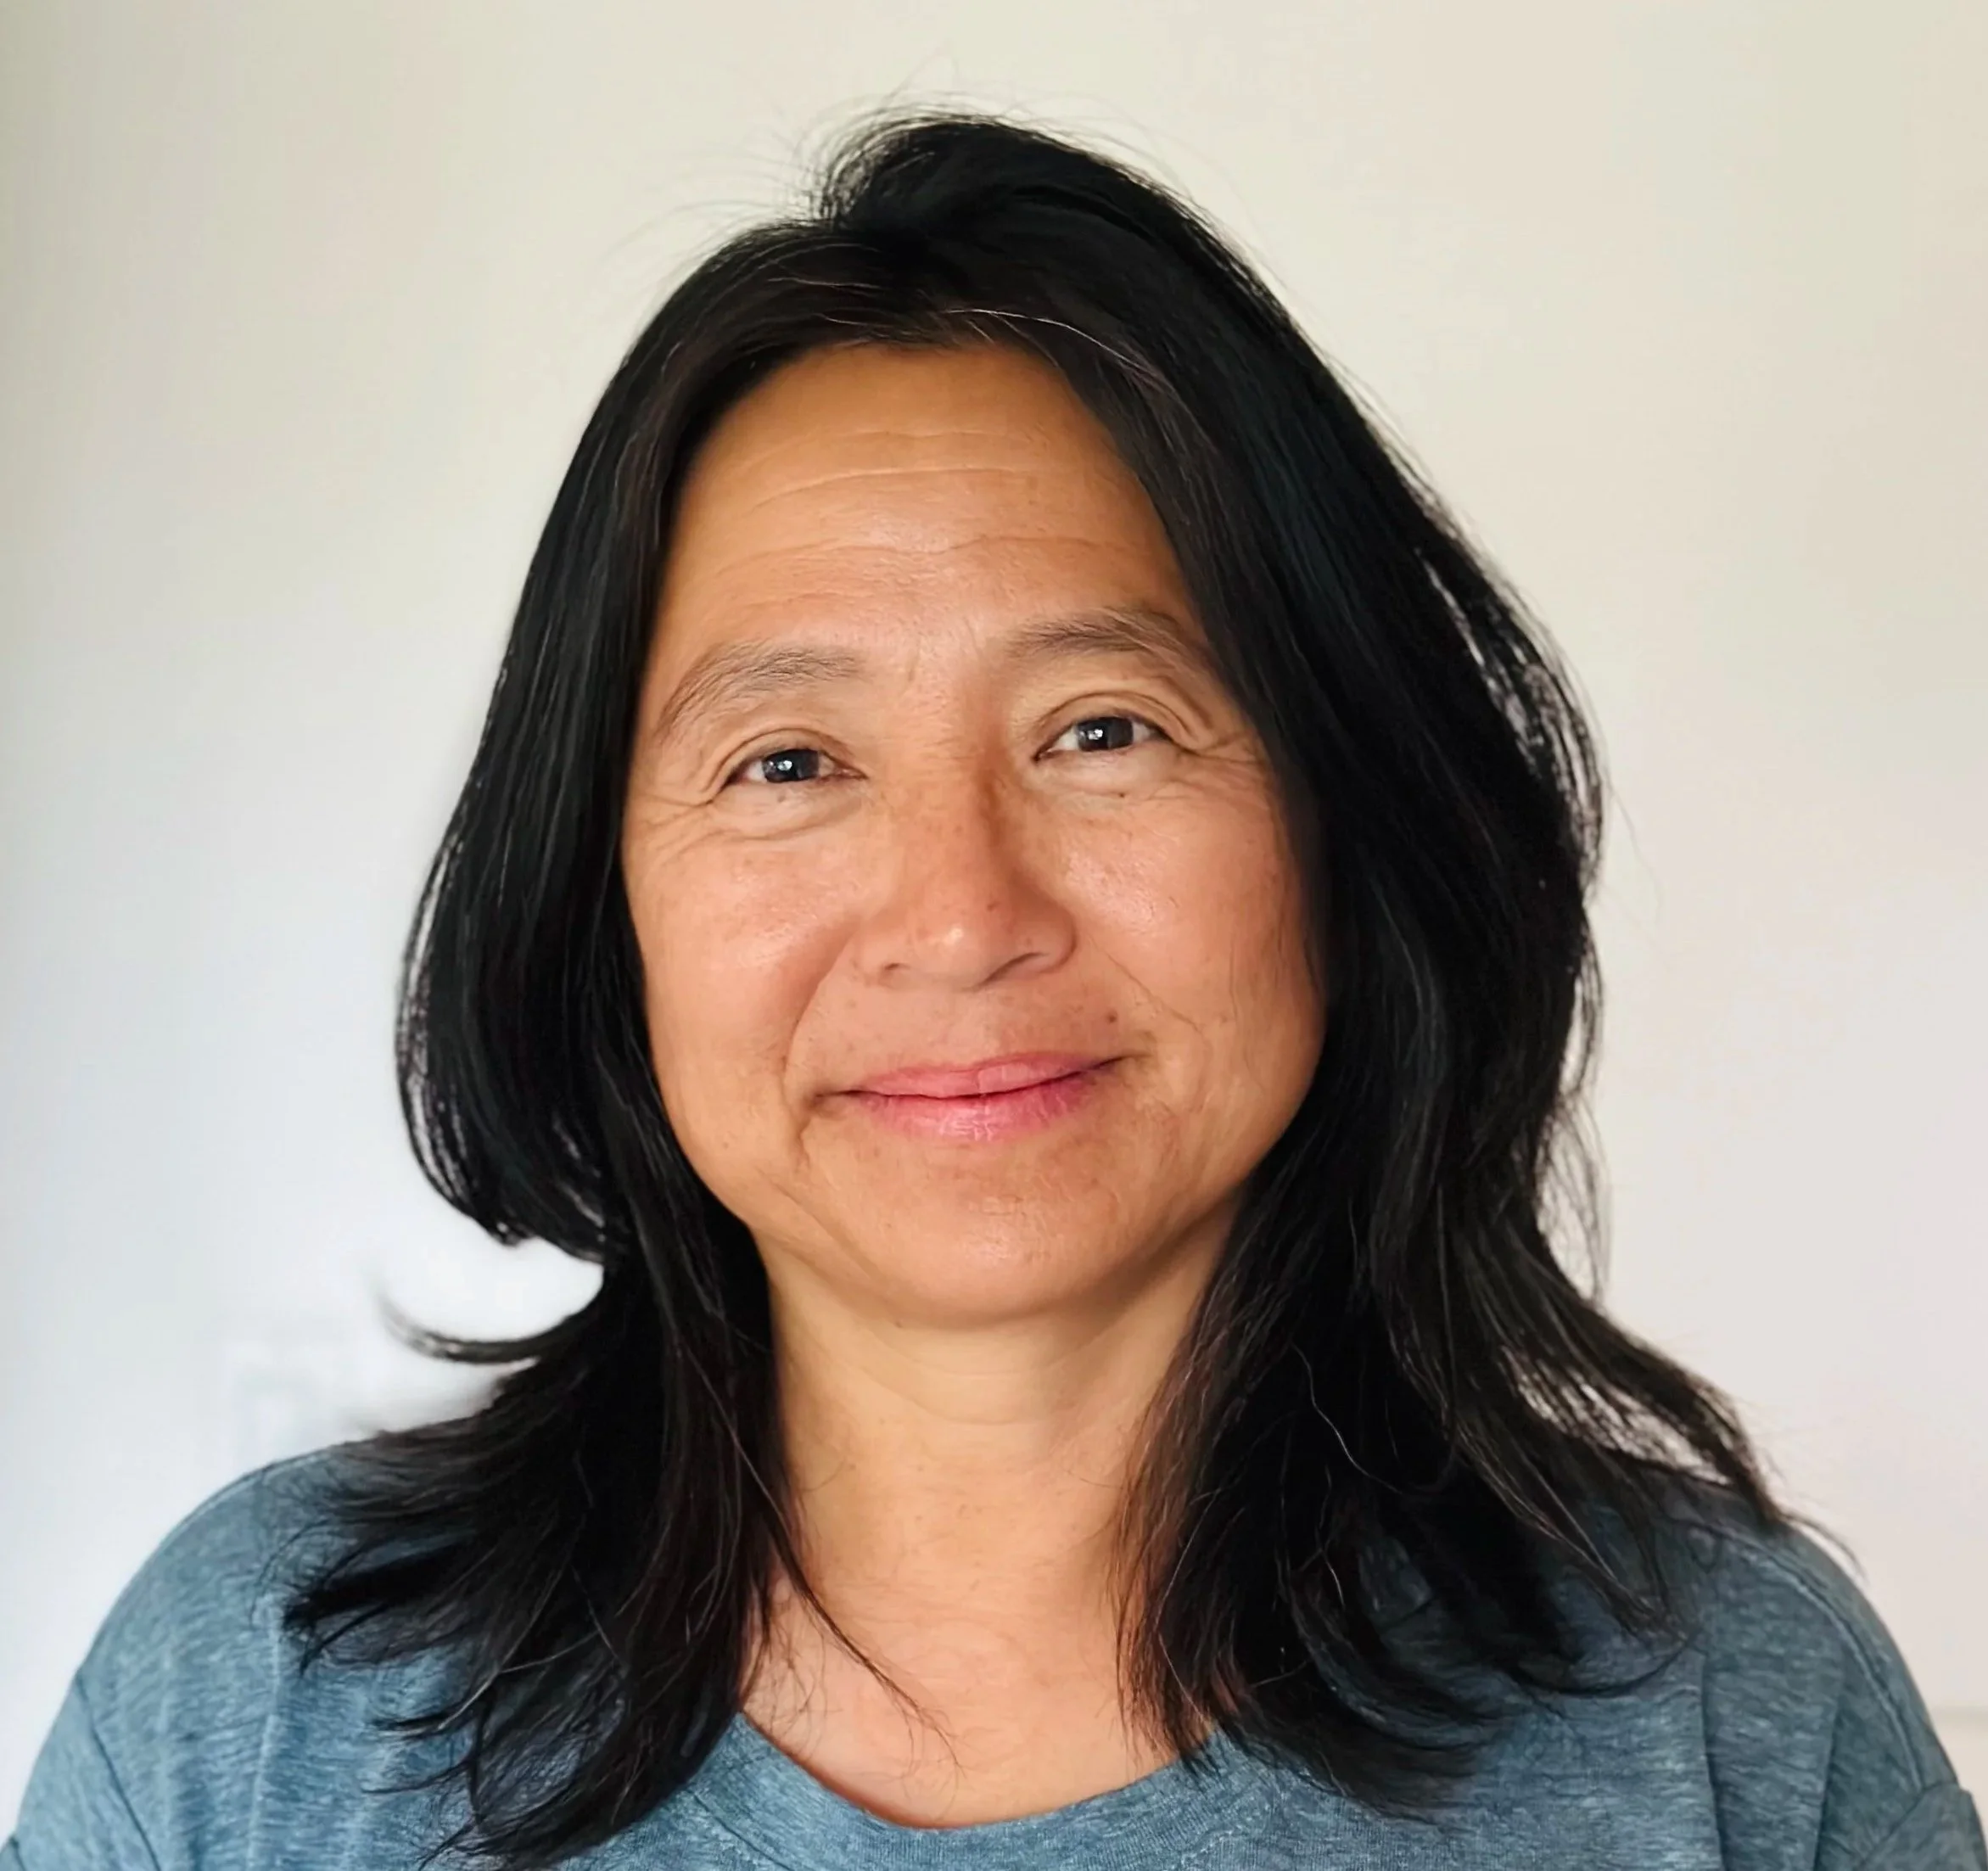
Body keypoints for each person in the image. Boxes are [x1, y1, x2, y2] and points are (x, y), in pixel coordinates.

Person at [6, 110, 1980, 1871]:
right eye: (787, 762)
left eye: (1104, 728)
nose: (959, 917)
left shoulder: (1730, 1715)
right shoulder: (256, 1703)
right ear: (599, 895)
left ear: (1347, 824)